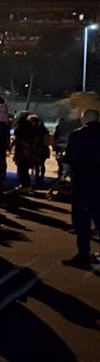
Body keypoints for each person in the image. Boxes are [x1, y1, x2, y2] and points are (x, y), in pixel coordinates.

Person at [63, 109, 100, 268]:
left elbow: (69, 160)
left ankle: (83, 254)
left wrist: (66, 175)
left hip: (83, 181)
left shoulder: (78, 135)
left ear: (84, 119)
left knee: (82, 219)